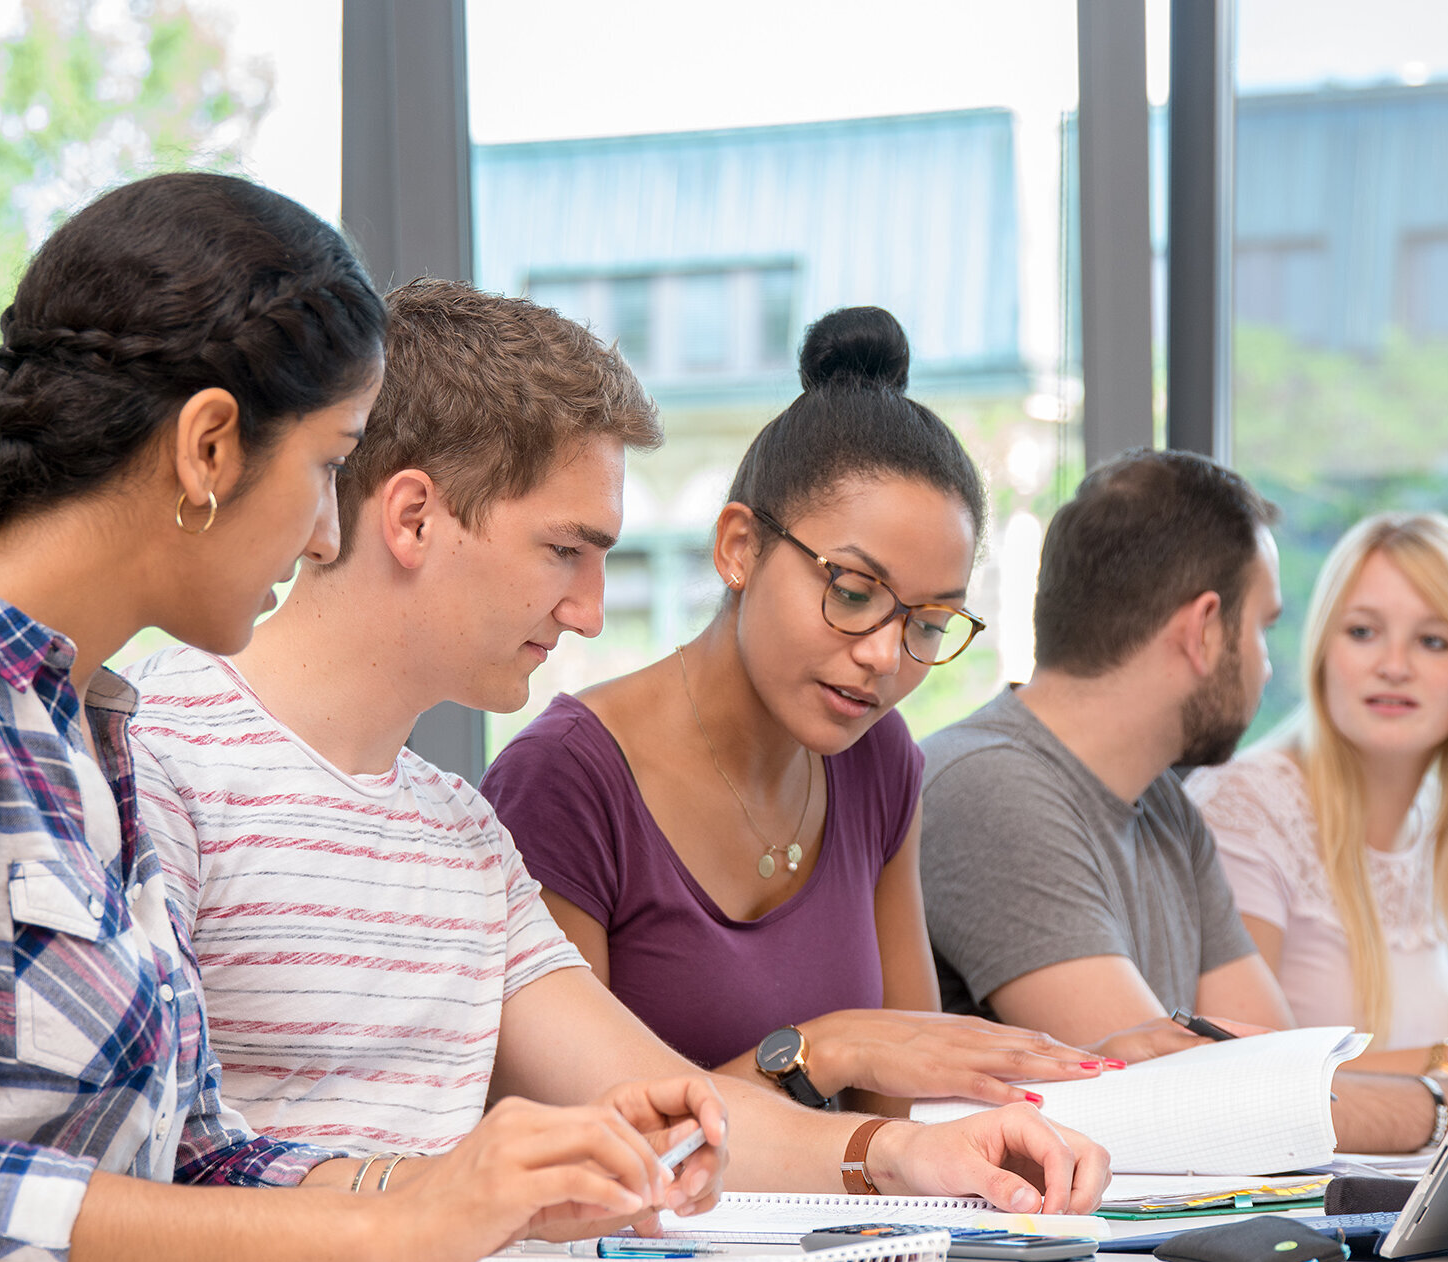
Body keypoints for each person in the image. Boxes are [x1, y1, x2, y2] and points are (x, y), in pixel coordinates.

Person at [0, 176, 732, 1262]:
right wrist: (409, 1224)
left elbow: (197, 1158)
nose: (320, 534)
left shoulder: (81, 727)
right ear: (208, 448)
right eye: (325, 467)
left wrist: (476, 1191)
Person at [127, 282, 1108, 1212]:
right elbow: (99, 1189)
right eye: (567, 550)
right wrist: (428, 1205)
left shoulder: (462, 835)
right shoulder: (158, 764)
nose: (591, 614)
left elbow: (657, 1107)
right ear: (414, 517)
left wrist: (897, 1153)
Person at [477, 306, 1117, 1116]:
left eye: (926, 623)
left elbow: (901, 1100)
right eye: (852, 593)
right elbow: (570, 1138)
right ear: (739, 547)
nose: (886, 657)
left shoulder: (879, 759)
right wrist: (826, 1049)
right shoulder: (564, 780)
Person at [918, 449, 1448, 1153]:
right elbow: (1198, 1104)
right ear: (1204, 628)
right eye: (1263, 626)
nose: (1270, 664)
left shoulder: (1165, 804)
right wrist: (1444, 1100)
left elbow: (1289, 1070)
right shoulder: (988, 789)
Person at [1185, 512, 1448, 1075]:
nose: (1393, 667)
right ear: (1321, 653)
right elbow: (1247, 1077)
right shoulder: (1248, 805)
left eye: (1432, 641)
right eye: (1362, 632)